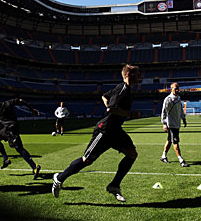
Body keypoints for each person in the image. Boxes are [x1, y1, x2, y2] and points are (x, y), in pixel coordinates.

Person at [52, 64, 139, 202]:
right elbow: (111, 108)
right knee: (86, 160)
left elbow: (104, 96)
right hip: (104, 130)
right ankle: (59, 178)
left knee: (132, 154)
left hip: (116, 130)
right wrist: (128, 114)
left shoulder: (124, 89)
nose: (139, 77)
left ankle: (114, 185)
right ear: (129, 74)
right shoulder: (123, 89)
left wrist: (116, 110)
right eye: (137, 74)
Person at [0, 93, 41, 180]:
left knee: (19, 149)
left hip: (9, 129)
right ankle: (5, 159)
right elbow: (21, 100)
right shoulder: (7, 103)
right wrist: (32, 110)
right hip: (11, 127)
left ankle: (34, 167)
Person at [160, 82, 189, 167]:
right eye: (175, 88)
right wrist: (164, 123)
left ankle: (163, 156)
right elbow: (164, 112)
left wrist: (183, 119)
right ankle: (181, 160)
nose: (177, 90)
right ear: (171, 89)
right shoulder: (168, 99)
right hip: (171, 124)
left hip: (177, 123)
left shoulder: (179, 99)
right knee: (175, 141)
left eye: (177, 88)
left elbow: (180, 109)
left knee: (169, 140)